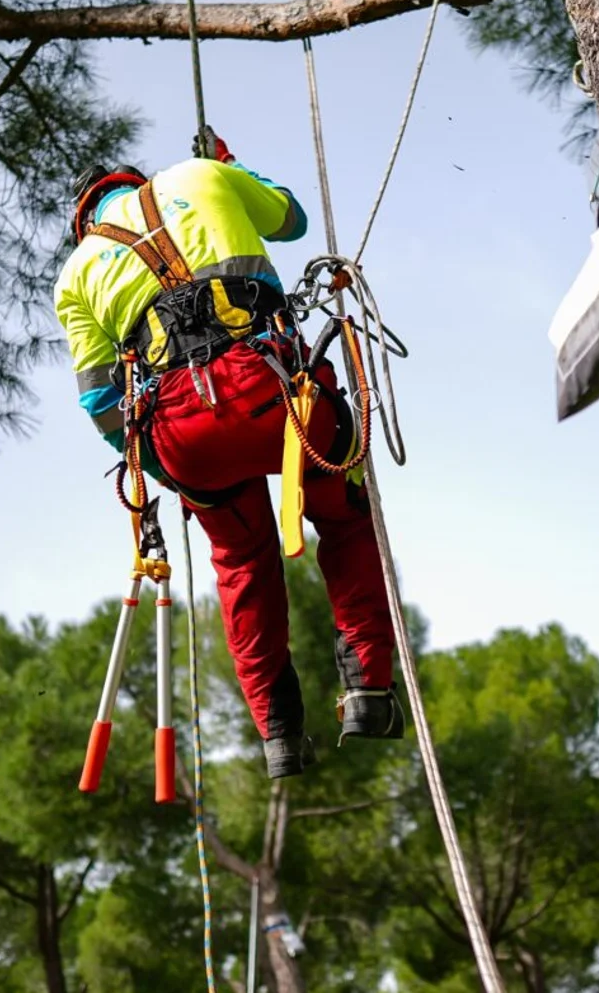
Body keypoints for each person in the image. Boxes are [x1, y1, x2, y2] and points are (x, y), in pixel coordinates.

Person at [54, 134, 404, 778]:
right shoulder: (200, 175)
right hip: (276, 392)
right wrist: (229, 167)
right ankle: (368, 693)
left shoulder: (76, 276)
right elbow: (292, 219)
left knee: (243, 564)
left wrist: (171, 474)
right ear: (136, 181)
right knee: (345, 520)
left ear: (85, 222)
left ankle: (279, 736)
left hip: (186, 433)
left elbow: (101, 406)